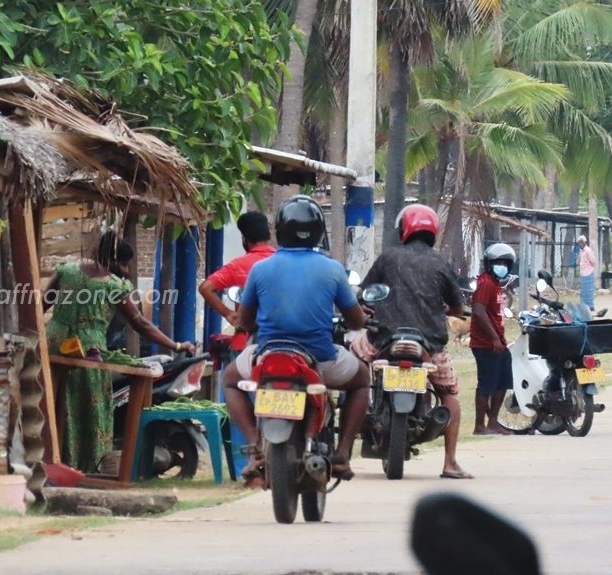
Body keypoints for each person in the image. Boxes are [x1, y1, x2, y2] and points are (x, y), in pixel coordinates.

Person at [223, 195, 370, 487]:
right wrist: (361, 319)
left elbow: (245, 321)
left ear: (279, 229)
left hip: (267, 358)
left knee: (229, 380)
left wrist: (245, 323)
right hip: (320, 361)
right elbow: (354, 321)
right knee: (362, 379)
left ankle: (255, 447)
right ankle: (342, 453)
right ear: (318, 231)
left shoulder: (260, 269)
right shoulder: (333, 269)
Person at [44, 231, 196, 472]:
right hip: (86, 351)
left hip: (53, 343)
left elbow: (42, 304)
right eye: (125, 264)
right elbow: (141, 324)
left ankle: (49, 458)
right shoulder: (114, 286)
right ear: (114, 261)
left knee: (53, 400)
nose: (126, 271)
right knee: (89, 408)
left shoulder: (67, 270)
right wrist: (176, 345)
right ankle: (85, 466)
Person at [349, 204, 472, 479]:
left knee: (352, 363)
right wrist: (442, 309)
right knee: (449, 393)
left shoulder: (388, 257)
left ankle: (344, 446)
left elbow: (364, 294)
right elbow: (458, 309)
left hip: (382, 339)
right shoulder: (441, 263)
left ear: (404, 229)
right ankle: (450, 463)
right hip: (429, 346)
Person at [197, 211, 275, 356]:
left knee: (231, 378)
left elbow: (205, 288)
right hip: (280, 342)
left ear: (244, 239)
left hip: (244, 342)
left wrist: (228, 314)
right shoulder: (283, 262)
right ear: (269, 236)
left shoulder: (238, 265)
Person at [470, 243, 517, 436]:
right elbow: (479, 312)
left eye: (505, 263)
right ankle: (479, 425)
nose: (502, 266)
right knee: (487, 384)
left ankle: (493, 422)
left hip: (499, 344)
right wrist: (494, 339)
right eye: (498, 262)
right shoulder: (486, 283)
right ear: (489, 264)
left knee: (503, 382)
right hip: (485, 344)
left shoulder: (497, 285)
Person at [577, 235, 597, 311]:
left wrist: (590, 269)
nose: (580, 244)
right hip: (583, 273)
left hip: (588, 272)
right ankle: (584, 306)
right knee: (584, 291)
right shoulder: (581, 251)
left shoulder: (588, 250)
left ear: (585, 242)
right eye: (579, 243)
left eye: (581, 242)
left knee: (589, 290)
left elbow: (593, 261)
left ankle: (590, 306)